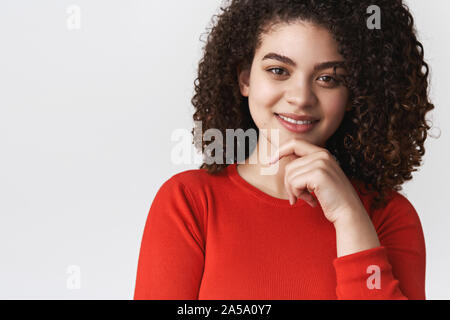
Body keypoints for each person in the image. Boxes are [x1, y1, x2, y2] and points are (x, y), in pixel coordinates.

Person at [134, 0, 433, 299]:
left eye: (328, 78)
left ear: (355, 92)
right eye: (278, 70)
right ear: (245, 78)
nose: (301, 97)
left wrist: (349, 215)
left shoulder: (389, 217)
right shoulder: (189, 202)